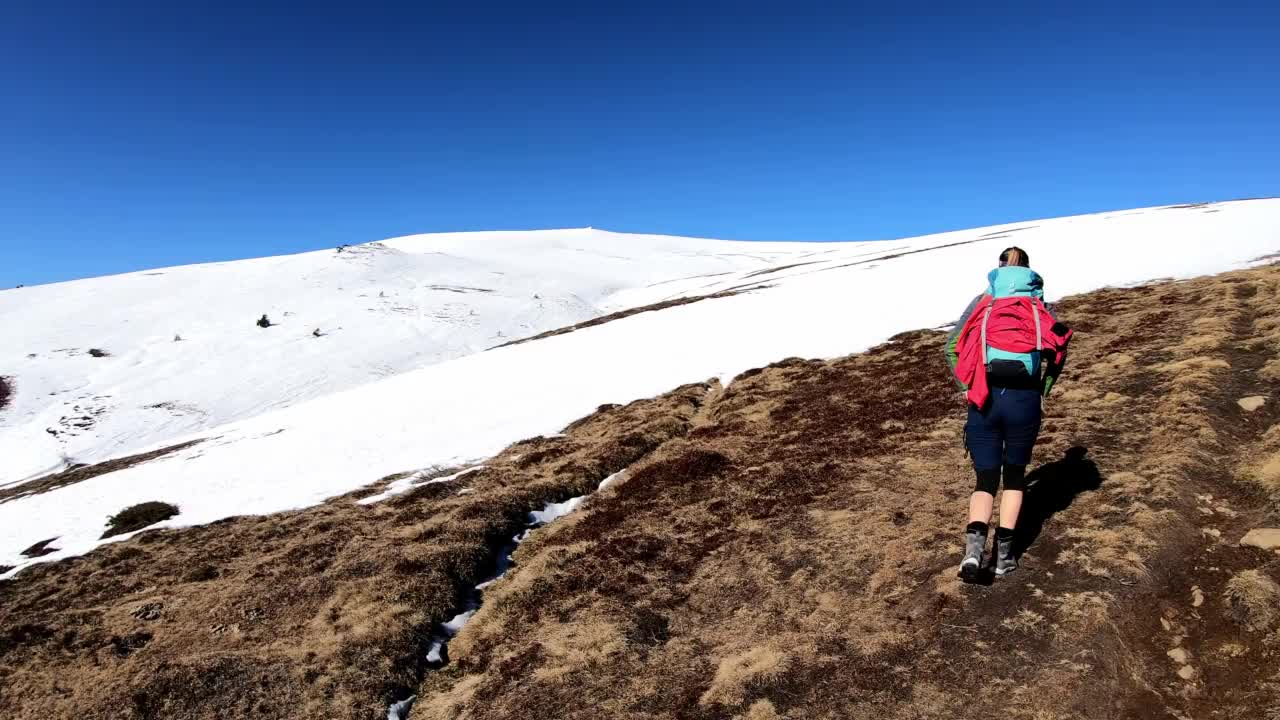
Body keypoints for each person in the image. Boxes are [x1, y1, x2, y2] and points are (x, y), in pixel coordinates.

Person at [945, 247, 1072, 580]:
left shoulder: (982, 303)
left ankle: (972, 556)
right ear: (1029, 271)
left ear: (999, 269)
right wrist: (1043, 387)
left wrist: (967, 387)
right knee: (1015, 477)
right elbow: (1059, 348)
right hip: (1024, 401)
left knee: (985, 480)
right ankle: (1004, 559)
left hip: (984, 400)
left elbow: (950, 346)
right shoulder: (1038, 305)